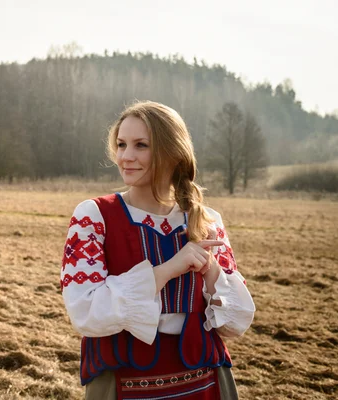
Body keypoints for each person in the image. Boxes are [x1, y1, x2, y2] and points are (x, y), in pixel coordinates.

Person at [60, 101, 255, 400]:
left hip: (204, 384)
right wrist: (168, 269)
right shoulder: (95, 215)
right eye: (121, 144)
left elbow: (236, 322)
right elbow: (86, 313)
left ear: (172, 152)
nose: (126, 156)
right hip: (124, 385)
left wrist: (211, 268)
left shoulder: (207, 219)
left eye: (141, 145)